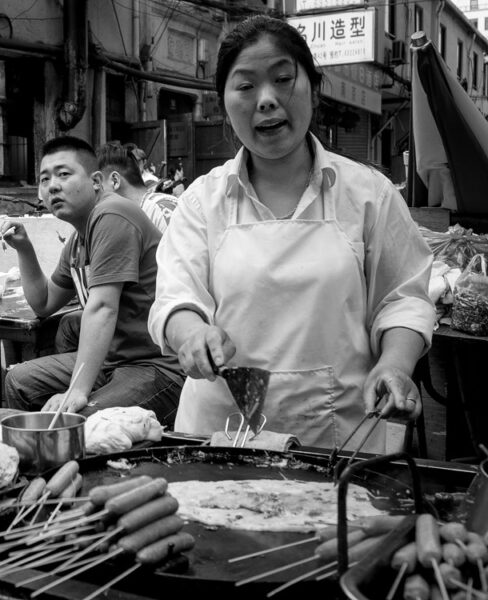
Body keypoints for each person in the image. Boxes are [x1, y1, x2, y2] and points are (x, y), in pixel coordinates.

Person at [147, 15, 436, 453]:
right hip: (218, 436)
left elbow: (403, 297)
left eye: (283, 79)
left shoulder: (368, 193)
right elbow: (175, 296)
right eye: (245, 86)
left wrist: (395, 363)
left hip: (342, 437)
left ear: (313, 90)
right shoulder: (201, 201)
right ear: (223, 102)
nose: (266, 100)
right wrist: (191, 335)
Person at [0, 136, 184, 427]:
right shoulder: (78, 239)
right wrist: (24, 248)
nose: (52, 186)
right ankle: (43, 464)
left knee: (75, 420)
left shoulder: (113, 213)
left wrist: (76, 390)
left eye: (64, 174)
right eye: (44, 179)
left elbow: (102, 308)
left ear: (97, 181)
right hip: (113, 362)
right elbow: (44, 302)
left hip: (157, 367)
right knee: (19, 381)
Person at [97, 142, 177, 233]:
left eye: (98, 184)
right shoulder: (129, 217)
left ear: (115, 181)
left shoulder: (160, 210)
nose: (96, 195)